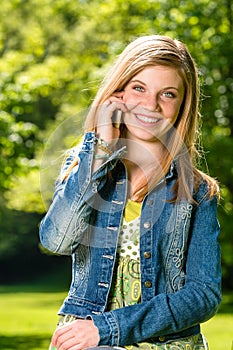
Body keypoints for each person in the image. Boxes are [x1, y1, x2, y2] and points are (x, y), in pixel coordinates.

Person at [39, 35, 221, 350]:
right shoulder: (83, 164)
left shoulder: (197, 191)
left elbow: (203, 295)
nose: (151, 105)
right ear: (118, 92)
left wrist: (109, 328)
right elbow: (57, 240)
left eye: (167, 94)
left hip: (164, 343)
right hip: (84, 340)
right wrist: (100, 151)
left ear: (182, 105)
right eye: (139, 88)